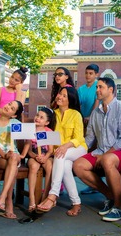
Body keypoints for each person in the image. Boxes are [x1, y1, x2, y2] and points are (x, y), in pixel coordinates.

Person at [73, 77, 121, 222]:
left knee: (107, 160)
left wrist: (105, 155)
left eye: (100, 87)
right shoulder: (96, 113)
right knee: (78, 165)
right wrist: (74, 150)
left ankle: (119, 207)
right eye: (97, 87)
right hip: (102, 151)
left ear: (111, 90)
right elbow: (89, 138)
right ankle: (110, 195)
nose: (97, 90)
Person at [36, 87, 87, 217]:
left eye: (64, 96)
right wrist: (45, 152)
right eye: (60, 94)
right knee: (64, 167)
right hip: (60, 151)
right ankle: (76, 203)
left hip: (77, 148)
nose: (60, 97)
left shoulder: (75, 114)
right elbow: (48, 134)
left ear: (70, 100)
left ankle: (52, 195)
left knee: (60, 155)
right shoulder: (53, 114)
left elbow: (79, 138)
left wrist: (65, 146)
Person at [0, 100, 27, 219]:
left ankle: (3, 197)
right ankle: (7, 201)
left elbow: (27, 138)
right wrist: (5, 155)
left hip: (14, 156)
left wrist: (22, 155)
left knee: (13, 159)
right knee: (12, 167)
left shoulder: (15, 123)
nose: (8, 107)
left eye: (12, 108)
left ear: (14, 115)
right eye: (9, 104)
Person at [25, 107, 55, 212]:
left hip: (46, 156)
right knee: (34, 166)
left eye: (41, 118)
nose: (37, 118)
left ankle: (45, 197)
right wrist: (35, 157)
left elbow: (51, 150)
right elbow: (28, 150)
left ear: (47, 122)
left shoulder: (49, 131)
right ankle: (32, 199)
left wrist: (45, 157)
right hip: (33, 156)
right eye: (37, 115)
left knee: (50, 167)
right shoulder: (29, 130)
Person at [77, 63, 101, 195]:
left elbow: (97, 103)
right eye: (86, 73)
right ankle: (91, 182)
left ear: (96, 74)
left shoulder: (98, 86)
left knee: (95, 151)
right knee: (86, 150)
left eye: (91, 73)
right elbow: (77, 104)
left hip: (96, 121)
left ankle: (96, 182)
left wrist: (90, 116)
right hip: (84, 123)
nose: (88, 75)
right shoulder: (81, 89)